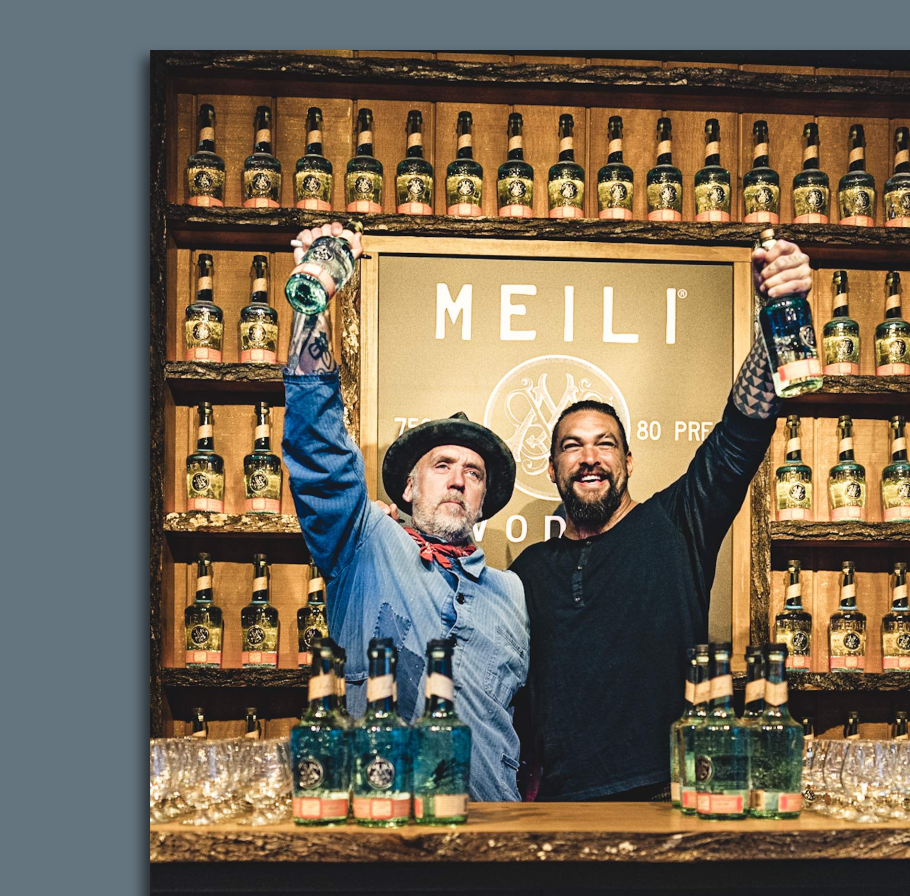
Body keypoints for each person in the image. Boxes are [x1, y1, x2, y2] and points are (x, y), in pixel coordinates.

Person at [510, 238, 813, 801]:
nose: (590, 457)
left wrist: (776, 322)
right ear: (552, 468)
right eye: (572, 446)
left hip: (669, 793)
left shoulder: (678, 524)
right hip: (557, 807)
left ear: (628, 460)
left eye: (605, 444)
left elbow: (741, 431)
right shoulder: (527, 571)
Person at [279, 223, 528, 803]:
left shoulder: (512, 592)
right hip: (380, 821)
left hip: (494, 832)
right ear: (409, 488)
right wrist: (313, 309)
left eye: (474, 474)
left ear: (484, 501)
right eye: (442, 465)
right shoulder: (365, 541)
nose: (459, 479)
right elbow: (319, 449)